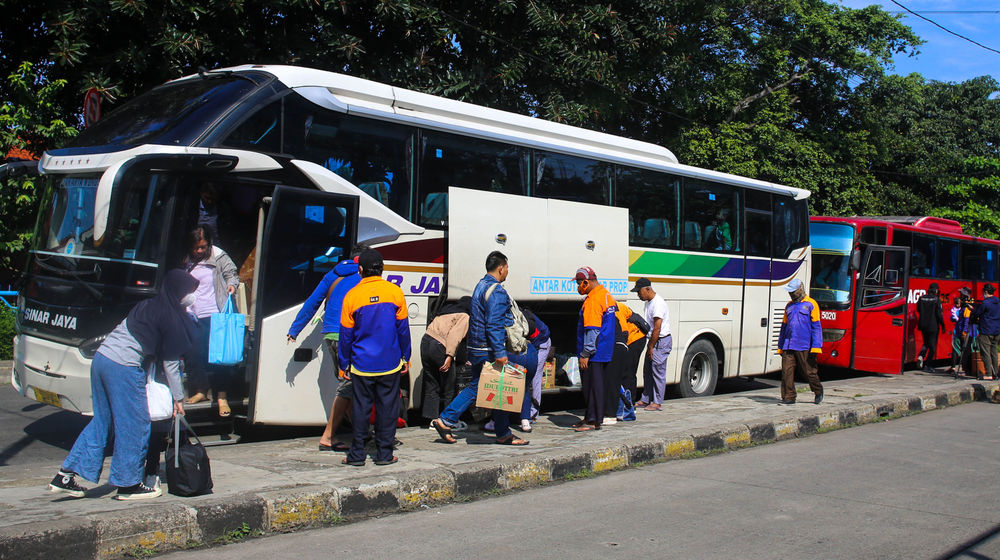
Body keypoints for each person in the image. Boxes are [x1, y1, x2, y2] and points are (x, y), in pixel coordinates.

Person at [49, 270, 198, 500]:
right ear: (179, 292)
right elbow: (170, 365)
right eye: (189, 291)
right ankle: (128, 485)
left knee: (103, 421)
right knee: (135, 424)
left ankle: (66, 475)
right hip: (123, 365)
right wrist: (178, 399)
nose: (192, 297)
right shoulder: (171, 318)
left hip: (101, 359)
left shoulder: (149, 305)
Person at [432, 251, 529, 446]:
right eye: (507, 268)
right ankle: (446, 419)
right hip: (489, 350)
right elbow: (494, 324)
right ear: (501, 268)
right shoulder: (497, 292)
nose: (507, 271)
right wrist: (500, 353)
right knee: (479, 387)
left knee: (497, 388)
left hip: (476, 347)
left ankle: (503, 433)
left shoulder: (480, 286)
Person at [287, 245, 365, 452]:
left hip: (330, 335)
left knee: (348, 384)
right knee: (348, 386)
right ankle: (329, 436)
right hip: (349, 336)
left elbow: (313, 302)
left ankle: (362, 432)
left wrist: (295, 329)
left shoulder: (333, 273)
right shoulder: (363, 277)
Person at [338, 249, 411, 466]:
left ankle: (357, 455)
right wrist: (405, 357)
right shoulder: (395, 292)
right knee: (387, 408)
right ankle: (385, 454)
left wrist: (344, 363)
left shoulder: (351, 296)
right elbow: (403, 330)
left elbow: (345, 335)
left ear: (360, 270)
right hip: (389, 363)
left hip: (362, 364)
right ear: (382, 269)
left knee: (361, 408)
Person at [182, 226, 240, 417]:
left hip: (216, 315)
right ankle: (201, 390)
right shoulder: (187, 260)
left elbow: (232, 273)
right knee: (192, 353)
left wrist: (231, 285)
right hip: (193, 314)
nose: (199, 251)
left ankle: (221, 396)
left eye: (203, 247)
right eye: (196, 247)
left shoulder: (218, 256)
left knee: (218, 357)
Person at [574, 266, 619, 432]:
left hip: (594, 352)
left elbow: (592, 330)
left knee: (592, 387)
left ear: (586, 281)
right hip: (604, 349)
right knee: (597, 385)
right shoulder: (605, 294)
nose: (578, 287)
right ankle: (590, 417)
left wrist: (585, 353)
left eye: (579, 283)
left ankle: (593, 420)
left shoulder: (593, 300)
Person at [420, 297, 471, 422]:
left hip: (425, 343)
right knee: (449, 386)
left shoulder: (445, 311)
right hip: (439, 347)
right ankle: (447, 420)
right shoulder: (464, 316)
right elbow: (455, 336)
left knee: (432, 383)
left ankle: (431, 419)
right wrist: (449, 356)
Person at [776, 279, 824, 405]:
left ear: (800, 289)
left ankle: (818, 390)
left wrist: (816, 346)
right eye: (790, 292)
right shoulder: (789, 306)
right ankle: (789, 396)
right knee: (787, 371)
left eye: (793, 292)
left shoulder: (811, 304)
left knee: (809, 372)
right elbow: (784, 327)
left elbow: (816, 327)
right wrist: (780, 346)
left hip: (804, 345)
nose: (791, 294)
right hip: (788, 343)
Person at [633, 278, 672, 411]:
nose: (638, 295)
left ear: (648, 289)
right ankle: (645, 399)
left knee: (658, 371)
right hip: (653, 340)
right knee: (647, 371)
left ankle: (657, 402)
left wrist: (651, 347)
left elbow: (657, 328)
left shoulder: (657, 304)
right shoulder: (648, 302)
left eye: (639, 292)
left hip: (660, 341)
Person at [608, 304, 645, 423]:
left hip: (635, 339)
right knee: (626, 372)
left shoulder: (614, 309)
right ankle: (627, 405)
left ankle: (629, 406)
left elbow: (623, 331)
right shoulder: (615, 306)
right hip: (632, 339)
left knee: (628, 372)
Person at [522, 307, 552, 423]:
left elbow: (535, 339)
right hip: (535, 342)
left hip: (540, 344)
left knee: (534, 377)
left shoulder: (526, 322)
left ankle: (533, 413)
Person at [971, 283, 1000, 380]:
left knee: (985, 352)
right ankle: (995, 373)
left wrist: (973, 309)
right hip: (996, 330)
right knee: (994, 352)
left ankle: (988, 374)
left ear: (986, 292)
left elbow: (977, 313)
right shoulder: (998, 302)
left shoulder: (985, 303)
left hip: (986, 330)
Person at [916, 283, 945, 373]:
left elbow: (918, 309)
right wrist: (943, 325)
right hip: (933, 326)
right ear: (936, 290)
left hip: (923, 324)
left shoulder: (921, 298)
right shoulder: (936, 299)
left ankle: (921, 356)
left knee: (926, 343)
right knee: (932, 347)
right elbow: (939, 314)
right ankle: (928, 365)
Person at [947, 293, 973, 376]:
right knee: (957, 348)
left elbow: (966, 321)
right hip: (958, 331)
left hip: (962, 332)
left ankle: (966, 369)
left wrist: (964, 332)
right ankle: (955, 367)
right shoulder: (960, 309)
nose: (957, 305)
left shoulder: (966, 309)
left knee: (964, 350)